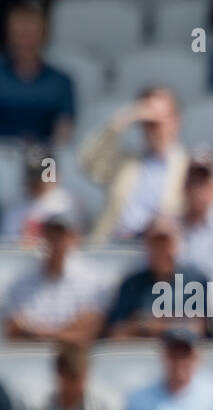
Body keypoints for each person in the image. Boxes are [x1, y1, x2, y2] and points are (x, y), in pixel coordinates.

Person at [77, 86, 189, 242]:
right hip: (112, 245)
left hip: (156, 251)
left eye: (160, 120)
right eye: (148, 123)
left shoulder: (188, 168)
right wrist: (123, 120)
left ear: (176, 121)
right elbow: (87, 161)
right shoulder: (126, 164)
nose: (154, 129)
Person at [1, 210, 106, 347]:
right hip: (33, 359)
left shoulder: (91, 282)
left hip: (69, 360)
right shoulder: (21, 283)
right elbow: (13, 330)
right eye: (52, 235)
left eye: (62, 235)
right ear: (44, 237)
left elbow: (88, 331)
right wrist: (63, 333)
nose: (56, 241)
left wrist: (35, 332)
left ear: (73, 238)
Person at [103, 216, 213, 341]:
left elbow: (204, 328)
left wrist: (151, 324)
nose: (161, 251)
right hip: (142, 356)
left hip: (182, 354)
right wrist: (172, 323)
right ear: (147, 247)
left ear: (178, 245)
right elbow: (116, 333)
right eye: (156, 244)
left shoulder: (196, 280)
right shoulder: (132, 284)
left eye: (167, 244)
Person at [0, 0, 75, 143]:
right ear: (8, 34)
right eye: (19, 33)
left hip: (43, 157)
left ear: (44, 34)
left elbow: (64, 134)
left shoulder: (61, 82)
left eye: (30, 33)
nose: (25, 41)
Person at [26, 342, 122, 410]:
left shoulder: (104, 407)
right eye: (70, 378)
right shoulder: (38, 408)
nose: (76, 385)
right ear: (59, 374)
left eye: (78, 378)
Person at [1, 147, 79, 244]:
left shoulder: (70, 206)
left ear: (57, 175)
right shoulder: (14, 211)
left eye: (46, 176)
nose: (39, 182)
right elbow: (10, 246)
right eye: (34, 177)